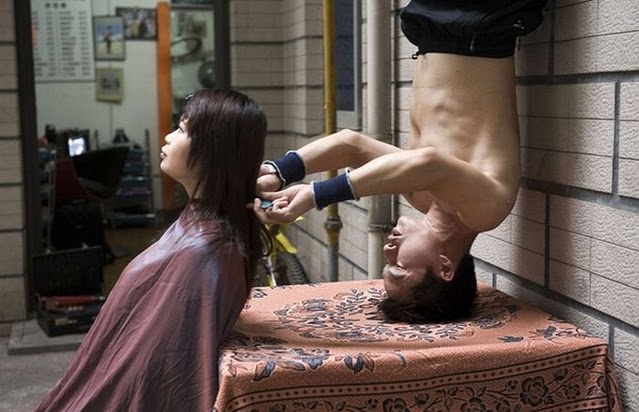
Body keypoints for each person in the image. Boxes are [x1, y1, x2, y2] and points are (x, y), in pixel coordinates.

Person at [253, 0, 548, 323]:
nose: (388, 250)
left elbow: (352, 145)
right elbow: (430, 164)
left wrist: (278, 172)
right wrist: (316, 195)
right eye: (398, 266)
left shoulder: (421, 196)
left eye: (387, 263)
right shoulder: (484, 212)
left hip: (434, 28)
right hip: (478, 19)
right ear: (445, 267)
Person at [35, 89, 268, 411]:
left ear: (213, 149)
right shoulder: (208, 235)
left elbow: (155, 369)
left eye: (182, 130)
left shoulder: (202, 255)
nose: (168, 137)